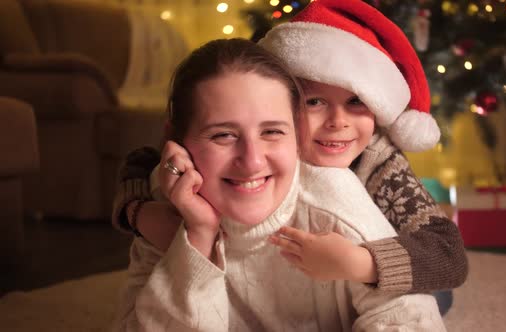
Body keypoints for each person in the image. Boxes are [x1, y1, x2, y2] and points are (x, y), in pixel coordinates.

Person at [112, 0, 466, 316]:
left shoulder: (379, 163)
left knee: (434, 297)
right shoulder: (249, 146)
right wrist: (139, 212)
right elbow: (145, 162)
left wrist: (359, 262)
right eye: (314, 102)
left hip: (391, 270)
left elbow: (447, 254)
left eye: (356, 101)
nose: (337, 122)